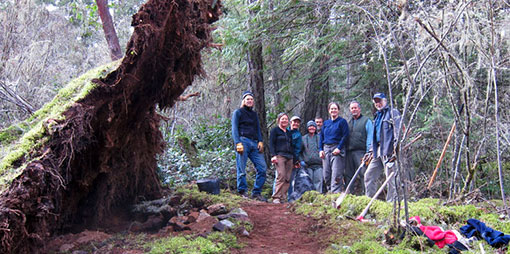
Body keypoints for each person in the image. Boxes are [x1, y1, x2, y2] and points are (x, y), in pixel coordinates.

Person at [364, 92, 401, 202]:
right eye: (376, 101)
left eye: (379, 101)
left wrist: (395, 149)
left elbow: (398, 131)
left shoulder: (393, 113)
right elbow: (375, 136)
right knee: (368, 175)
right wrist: (371, 150)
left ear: (385, 100)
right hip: (377, 151)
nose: (378, 103)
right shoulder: (377, 116)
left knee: (391, 179)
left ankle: (391, 205)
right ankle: (369, 202)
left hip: (389, 150)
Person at [231, 91, 267, 201]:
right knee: (241, 168)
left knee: (262, 168)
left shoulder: (254, 114)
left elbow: (258, 129)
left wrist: (260, 141)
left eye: (251, 99)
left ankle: (256, 193)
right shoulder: (238, 112)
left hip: (254, 143)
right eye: (247, 99)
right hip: (243, 141)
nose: (250, 101)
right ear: (243, 101)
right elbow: (234, 128)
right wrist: (237, 142)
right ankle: (242, 191)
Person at [319, 102, 349, 193]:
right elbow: (321, 137)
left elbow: (345, 136)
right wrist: (320, 150)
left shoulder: (342, 122)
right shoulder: (326, 123)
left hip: (337, 149)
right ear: (329, 111)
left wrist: (339, 148)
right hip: (326, 149)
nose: (333, 110)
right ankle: (329, 192)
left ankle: (335, 194)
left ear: (338, 110)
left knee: (336, 174)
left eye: (335, 109)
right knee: (326, 174)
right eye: (331, 109)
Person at [345, 101, 373, 195]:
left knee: (363, 173)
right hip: (349, 152)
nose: (354, 110)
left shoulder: (366, 121)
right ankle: (350, 195)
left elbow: (370, 136)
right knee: (349, 175)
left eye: (355, 108)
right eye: (352, 108)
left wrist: (368, 151)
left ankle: (366, 195)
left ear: (359, 109)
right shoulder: (349, 122)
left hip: (361, 152)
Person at [270, 113, 296, 204]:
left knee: (288, 178)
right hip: (280, 156)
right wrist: (273, 155)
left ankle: (283, 198)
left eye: (286, 119)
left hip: (289, 157)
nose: (284, 121)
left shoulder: (289, 132)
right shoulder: (275, 131)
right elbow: (271, 144)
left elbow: (291, 145)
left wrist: (295, 159)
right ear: (279, 120)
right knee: (281, 175)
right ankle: (276, 197)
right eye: (282, 119)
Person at [301, 120, 323, 192]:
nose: (312, 128)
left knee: (318, 181)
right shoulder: (303, 139)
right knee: (308, 182)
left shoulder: (320, 138)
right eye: (310, 126)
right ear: (307, 128)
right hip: (308, 165)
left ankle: (318, 198)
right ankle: (309, 197)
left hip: (319, 164)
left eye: (313, 126)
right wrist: (301, 160)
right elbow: (300, 151)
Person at [286, 116, 302, 199]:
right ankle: (277, 196)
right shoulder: (285, 131)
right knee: (279, 177)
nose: (295, 123)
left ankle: (290, 198)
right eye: (294, 122)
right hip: (282, 156)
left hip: (292, 159)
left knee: (290, 179)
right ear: (290, 122)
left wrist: (295, 161)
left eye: (297, 122)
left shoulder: (298, 135)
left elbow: (297, 149)